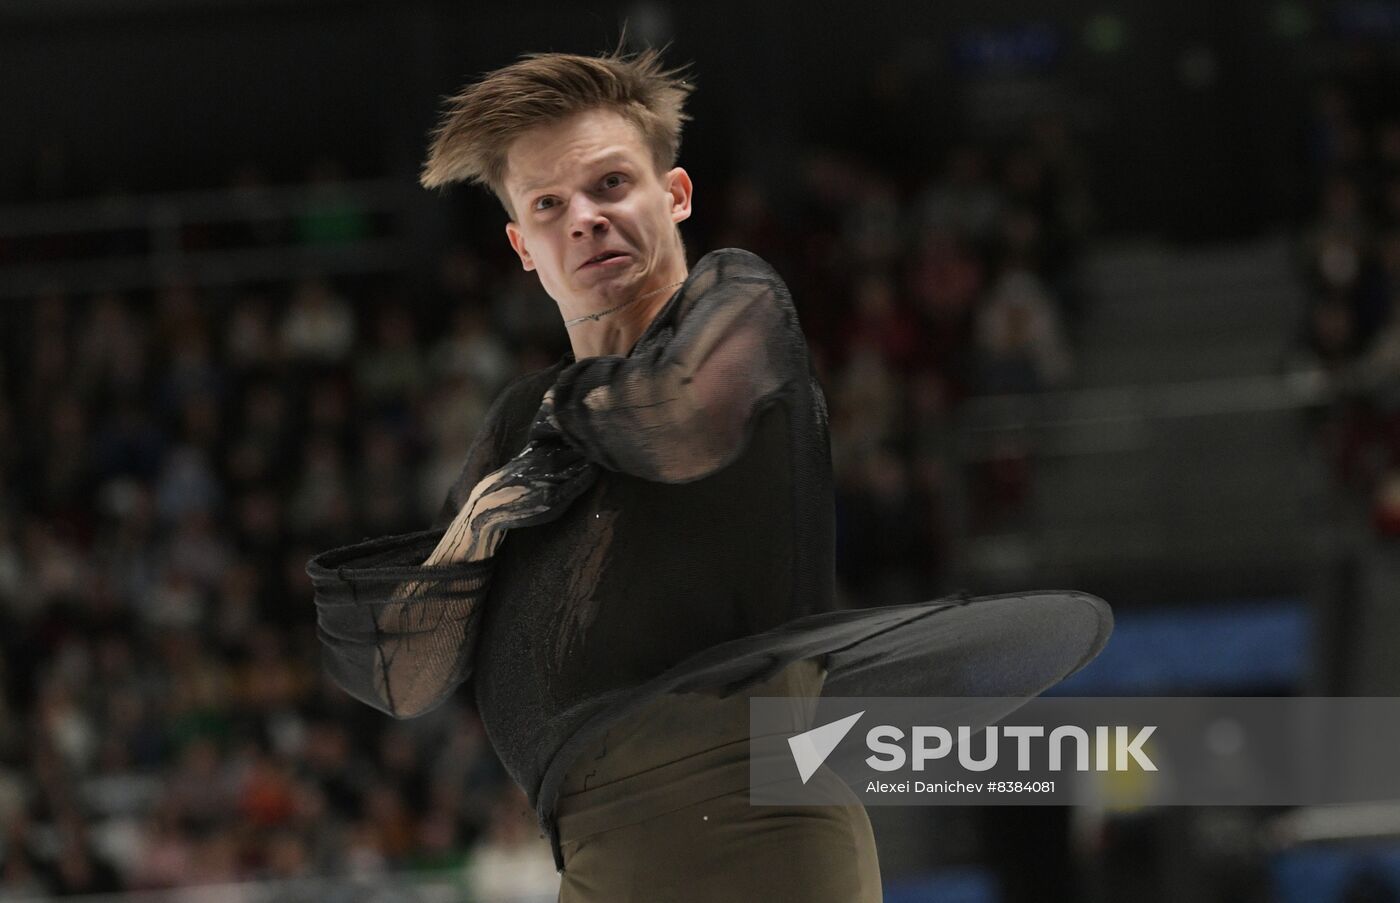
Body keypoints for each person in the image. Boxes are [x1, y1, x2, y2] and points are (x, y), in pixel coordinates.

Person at [307, 40, 1112, 902]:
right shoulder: (518, 421)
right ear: (523, 248)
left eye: (611, 183)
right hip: (592, 853)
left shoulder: (736, 303)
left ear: (676, 193)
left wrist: (536, 448)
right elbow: (406, 674)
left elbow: (678, 417)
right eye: (549, 203)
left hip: (753, 821)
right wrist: (473, 527)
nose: (584, 216)